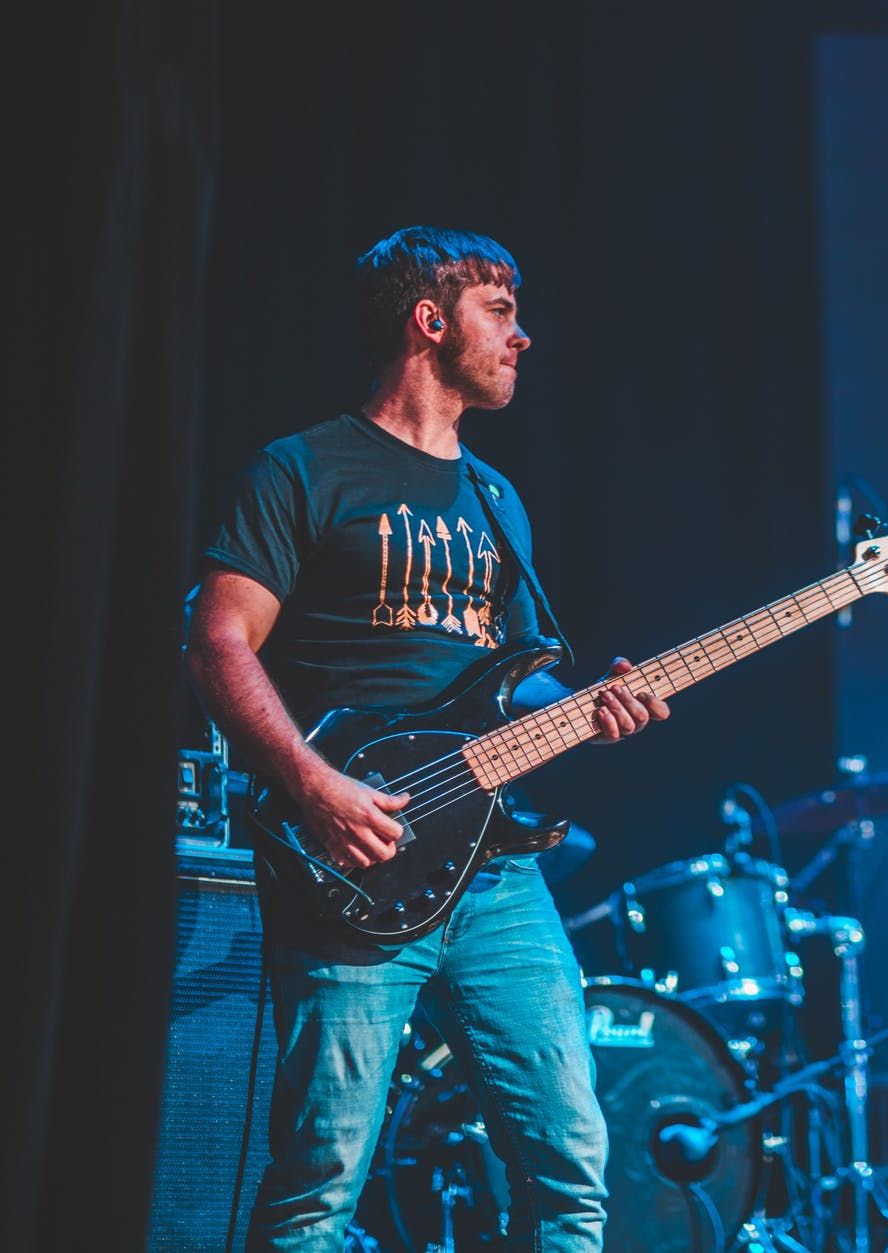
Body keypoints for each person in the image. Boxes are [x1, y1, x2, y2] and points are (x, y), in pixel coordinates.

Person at [187, 225, 669, 1249]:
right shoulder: (303, 468)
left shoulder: (498, 502)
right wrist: (314, 786)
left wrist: (596, 703)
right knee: (320, 1188)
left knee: (571, 1167)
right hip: (354, 860)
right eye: (503, 311)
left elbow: (520, 676)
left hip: (494, 870)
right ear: (430, 319)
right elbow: (218, 641)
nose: (522, 338)